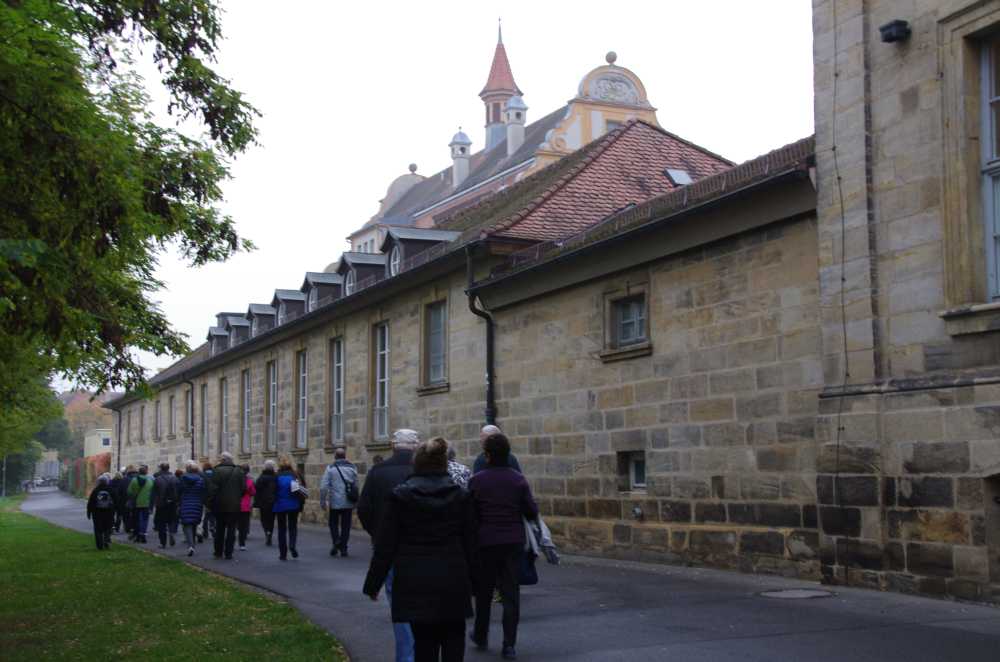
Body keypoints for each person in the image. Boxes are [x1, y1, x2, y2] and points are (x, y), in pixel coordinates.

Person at [363, 438, 475, 662]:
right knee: (454, 638)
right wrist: (480, 582)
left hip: (415, 578)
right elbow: (472, 544)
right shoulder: (461, 497)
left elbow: (386, 545)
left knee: (424, 643)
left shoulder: (401, 497)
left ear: (416, 464)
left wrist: (373, 583)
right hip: (452, 576)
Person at [468, 433, 539, 660]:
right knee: (510, 593)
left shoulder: (477, 480)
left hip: (486, 541)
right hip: (512, 541)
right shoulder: (518, 480)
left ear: (487, 455)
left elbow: (469, 515)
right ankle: (509, 644)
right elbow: (531, 511)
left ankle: (481, 634)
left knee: (484, 591)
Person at [358, 428, 420, 662]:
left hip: (389, 546)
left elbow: (364, 509)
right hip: (421, 546)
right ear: (416, 446)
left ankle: (406, 657)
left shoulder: (378, 471)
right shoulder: (422, 471)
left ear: (393, 445)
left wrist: (377, 532)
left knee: (399, 604)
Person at [206, 451, 245, 560]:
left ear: (222, 460)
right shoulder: (239, 471)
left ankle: (218, 552)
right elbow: (243, 488)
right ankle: (229, 553)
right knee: (231, 529)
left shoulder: (217, 471)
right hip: (234, 505)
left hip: (220, 505)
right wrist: (237, 497)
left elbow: (213, 489)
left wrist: (209, 502)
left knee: (220, 528)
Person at [320, 447, 359, 557]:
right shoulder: (352, 467)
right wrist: (356, 501)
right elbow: (356, 485)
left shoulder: (330, 468)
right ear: (345, 456)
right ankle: (344, 548)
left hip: (335, 501)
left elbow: (323, 487)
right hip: (348, 501)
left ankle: (336, 541)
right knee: (346, 525)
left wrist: (322, 501)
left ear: (335, 456)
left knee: (333, 523)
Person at [272, 456, 303, 561]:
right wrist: (300, 504)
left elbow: (273, 491)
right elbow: (300, 491)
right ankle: (292, 545)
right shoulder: (295, 475)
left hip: (280, 505)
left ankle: (283, 553)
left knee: (281, 529)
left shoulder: (276, 476)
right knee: (292, 527)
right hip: (293, 504)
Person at [178, 461, 205, 557]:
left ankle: (191, 546)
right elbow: (203, 491)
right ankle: (192, 545)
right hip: (197, 503)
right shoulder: (201, 480)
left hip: (185, 502)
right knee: (194, 523)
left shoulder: (183, 478)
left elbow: (179, 490)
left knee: (187, 524)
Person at [86, 473, 118, 550]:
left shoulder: (95, 490)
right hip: (109, 513)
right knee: (108, 528)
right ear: (107, 481)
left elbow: (91, 502)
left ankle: (99, 545)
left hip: (97, 513)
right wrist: (117, 510)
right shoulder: (111, 490)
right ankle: (106, 541)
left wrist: (89, 512)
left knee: (98, 529)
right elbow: (116, 501)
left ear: (99, 482)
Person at [152, 462, 179, 548]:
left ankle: (163, 542)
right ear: (168, 468)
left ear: (161, 469)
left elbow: (154, 493)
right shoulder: (175, 478)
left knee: (161, 524)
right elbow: (178, 491)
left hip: (161, 504)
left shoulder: (158, 479)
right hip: (172, 503)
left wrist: (155, 503)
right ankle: (171, 532)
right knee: (171, 520)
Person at [126, 464, 155, 544]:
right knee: (145, 520)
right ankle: (143, 534)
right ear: (146, 472)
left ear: (139, 472)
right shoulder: (150, 481)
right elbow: (152, 493)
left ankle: (138, 535)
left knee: (137, 519)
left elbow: (129, 492)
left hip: (136, 502)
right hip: (146, 503)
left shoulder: (134, 480)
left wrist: (134, 495)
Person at [254, 459, 278, 546]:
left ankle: (266, 532)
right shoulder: (276, 477)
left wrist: (256, 501)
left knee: (264, 519)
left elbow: (256, 489)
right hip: (273, 501)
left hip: (263, 502)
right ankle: (269, 533)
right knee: (271, 519)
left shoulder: (261, 477)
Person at [237, 464, 256, 551]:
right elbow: (253, 492)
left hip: (236, 504)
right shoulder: (249, 481)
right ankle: (242, 543)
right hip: (246, 505)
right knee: (244, 524)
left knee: (236, 523)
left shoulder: (236, 480)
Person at [200, 461, 216, 543]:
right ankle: (212, 526)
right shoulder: (215, 474)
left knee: (205, 517)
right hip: (214, 498)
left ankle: (205, 532)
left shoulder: (202, 475)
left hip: (205, 498)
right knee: (213, 515)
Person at [122, 464, 139, 537]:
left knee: (126, 514)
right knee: (135, 514)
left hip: (127, 499)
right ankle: (134, 527)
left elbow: (123, 490)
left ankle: (128, 527)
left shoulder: (125, 479)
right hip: (137, 499)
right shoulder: (139, 478)